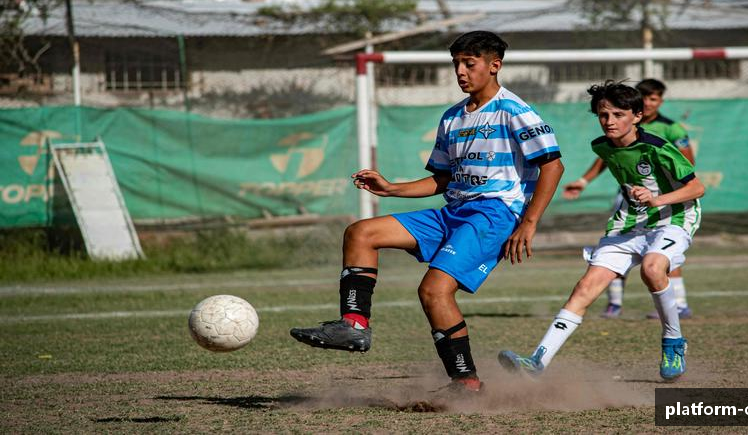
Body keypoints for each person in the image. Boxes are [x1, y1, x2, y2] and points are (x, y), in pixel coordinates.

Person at [290, 31, 564, 393]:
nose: (461, 72)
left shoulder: (515, 111)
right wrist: (391, 189)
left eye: (470, 63)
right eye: (456, 64)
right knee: (361, 232)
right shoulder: (452, 118)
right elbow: (442, 179)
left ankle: (466, 382)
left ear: (494, 65)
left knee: (434, 290)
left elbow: (553, 165)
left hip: (494, 214)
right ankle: (354, 326)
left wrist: (528, 223)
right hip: (455, 209)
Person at [498, 81, 704, 381]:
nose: (609, 121)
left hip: (674, 217)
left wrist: (656, 198)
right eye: (603, 115)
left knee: (652, 267)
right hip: (630, 221)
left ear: (637, 115)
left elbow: (697, 188)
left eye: (618, 115)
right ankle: (537, 361)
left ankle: (673, 342)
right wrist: (588, 183)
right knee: (585, 288)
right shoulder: (602, 146)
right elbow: (620, 167)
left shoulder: (658, 147)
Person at [562, 78, 695, 320]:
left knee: (661, 253)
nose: (649, 102)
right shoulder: (614, 129)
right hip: (630, 198)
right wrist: (583, 181)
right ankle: (614, 302)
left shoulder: (671, 130)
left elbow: (687, 166)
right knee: (615, 246)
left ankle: (679, 303)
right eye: (645, 97)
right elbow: (610, 157)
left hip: (664, 199)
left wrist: (661, 194)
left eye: (653, 98)